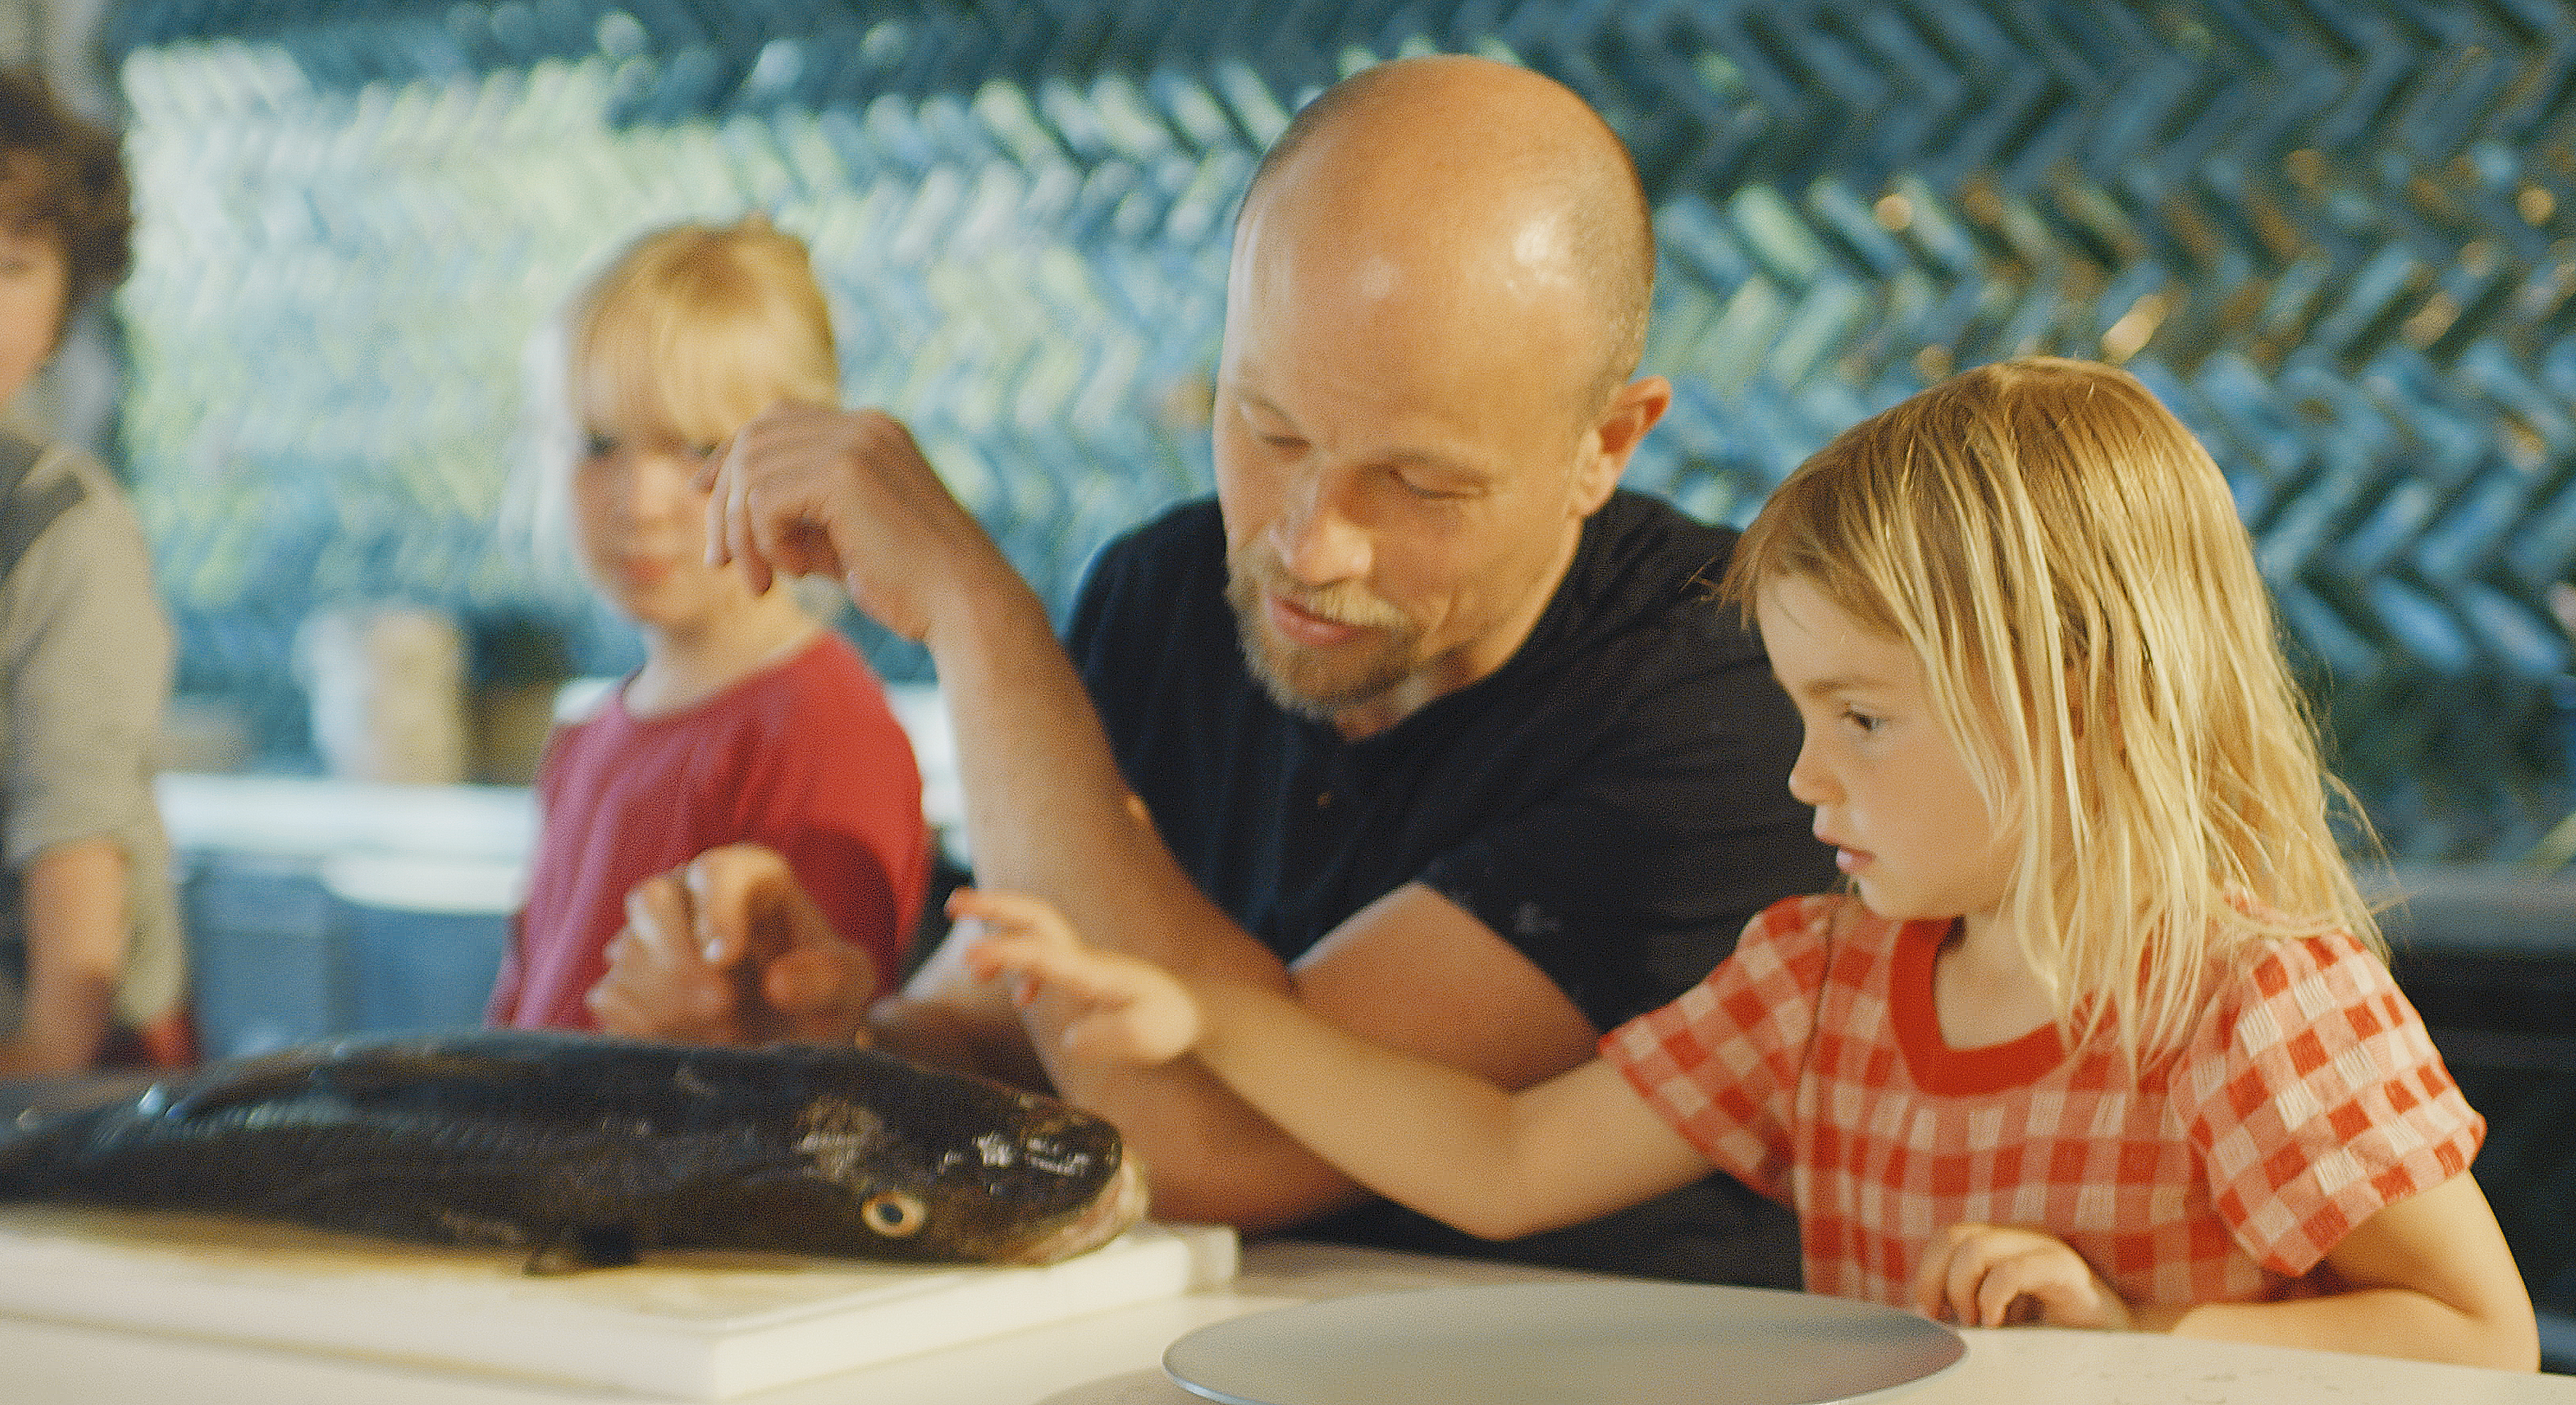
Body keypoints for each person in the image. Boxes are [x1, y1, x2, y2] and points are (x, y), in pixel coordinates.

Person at [959, 356, 2540, 1371]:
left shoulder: (2254, 999)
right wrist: (1210, 1019)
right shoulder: (1819, 978)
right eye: (1802, 710)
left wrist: (2136, 1341)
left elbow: (2477, 1335)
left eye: (1862, 716)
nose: (1803, 775)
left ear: (2076, 697)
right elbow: (1502, 1159)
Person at [593, 55, 1834, 1283]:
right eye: (1268, 428)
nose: (1308, 543)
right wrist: (826, 1041)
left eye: (1419, 482)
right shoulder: (1165, 594)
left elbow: (1216, 1139)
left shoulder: (1734, 700)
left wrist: (975, 615)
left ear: (1604, 445)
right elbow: (1018, 1030)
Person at [483, 218, 928, 1034]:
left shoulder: (826, 733)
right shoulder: (581, 740)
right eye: (598, 445)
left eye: (695, 448)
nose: (639, 503)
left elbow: (830, 1064)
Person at [0, 61, 187, 1083]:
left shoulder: (58, 527)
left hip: (65, 1055)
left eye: (17, 263)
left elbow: (75, 819)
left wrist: (42, 1062)